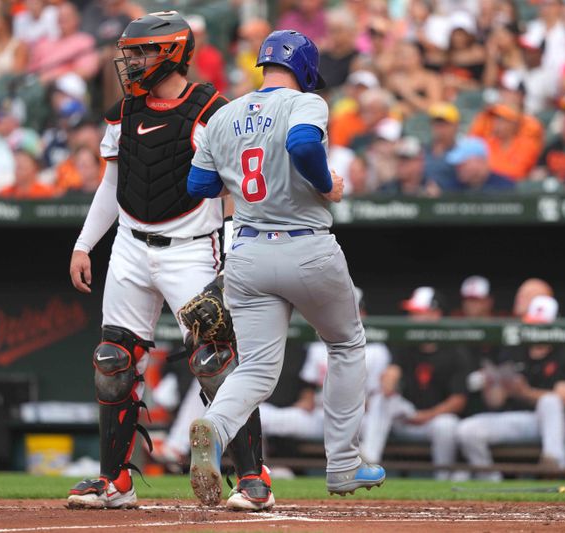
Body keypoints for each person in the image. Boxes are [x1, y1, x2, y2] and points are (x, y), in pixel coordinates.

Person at [65, 11, 273, 512]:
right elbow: (111, 185)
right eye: (130, 52)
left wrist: (238, 252)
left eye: (142, 51)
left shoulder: (211, 111)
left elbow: (238, 191)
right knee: (113, 361)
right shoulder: (123, 111)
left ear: (174, 52)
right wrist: (82, 243)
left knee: (215, 361)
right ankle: (114, 481)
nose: (132, 61)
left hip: (192, 249)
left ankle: (252, 477)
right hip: (130, 247)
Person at [186, 29, 385, 505]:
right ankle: (342, 465)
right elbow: (301, 146)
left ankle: (213, 429)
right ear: (306, 69)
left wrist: (247, 178)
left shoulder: (224, 114)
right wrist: (325, 186)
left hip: (249, 253)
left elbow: (198, 184)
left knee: (255, 368)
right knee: (346, 344)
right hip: (306, 246)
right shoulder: (306, 103)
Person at [456, 295, 565, 480]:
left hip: (547, 423)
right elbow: (495, 402)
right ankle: (490, 482)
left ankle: (555, 464)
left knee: (550, 401)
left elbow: (563, 397)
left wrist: (525, 391)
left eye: (542, 324)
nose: (536, 329)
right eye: (533, 323)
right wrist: (493, 383)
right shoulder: (514, 349)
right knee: (467, 430)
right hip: (514, 419)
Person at [259, 288, 391, 457]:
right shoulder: (316, 346)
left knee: (384, 403)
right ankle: (257, 471)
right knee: (261, 413)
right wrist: (307, 399)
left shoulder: (376, 350)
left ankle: (370, 457)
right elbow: (309, 384)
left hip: (356, 420)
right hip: (320, 417)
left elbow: (376, 397)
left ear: (361, 313)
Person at [361, 287, 468, 480]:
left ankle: (442, 478)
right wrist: (389, 379)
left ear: (435, 315)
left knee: (447, 425)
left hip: (434, 420)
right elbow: (391, 374)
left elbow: (458, 400)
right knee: (380, 398)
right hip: (406, 416)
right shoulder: (404, 342)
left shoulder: (455, 349)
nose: (412, 318)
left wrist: (428, 415)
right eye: (412, 313)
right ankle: (369, 461)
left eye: (418, 313)